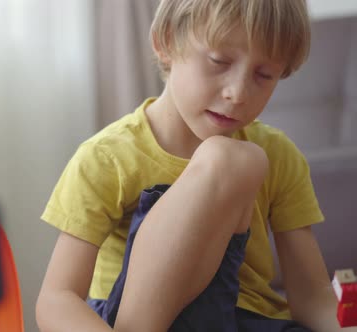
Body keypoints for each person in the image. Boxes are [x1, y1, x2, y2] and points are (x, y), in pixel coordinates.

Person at [35, 0, 353, 331]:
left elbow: (312, 295)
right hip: (141, 324)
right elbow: (57, 298)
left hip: (251, 321)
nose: (238, 93)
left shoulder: (281, 155)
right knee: (231, 159)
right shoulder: (107, 158)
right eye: (219, 62)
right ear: (166, 42)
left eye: (264, 75)